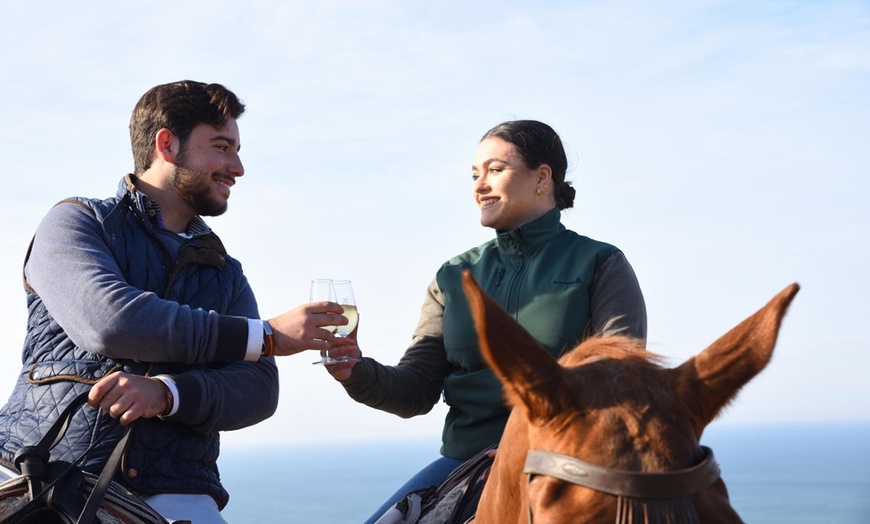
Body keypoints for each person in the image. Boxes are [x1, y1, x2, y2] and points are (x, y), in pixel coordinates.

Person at [0, 80, 347, 523]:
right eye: (222, 147)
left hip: (176, 490)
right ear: (167, 143)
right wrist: (266, 335)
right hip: (38, 469)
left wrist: (168, 393)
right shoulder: (75, 221)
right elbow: (111, 323)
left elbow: (259, 388)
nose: (237, 167)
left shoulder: (226, 270)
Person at [326, 120, 648, 523]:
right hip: (465, 462)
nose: (479, 185)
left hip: (567, 464)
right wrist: (353, 369)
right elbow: (417, 389)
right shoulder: (452, 277)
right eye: (475, 174)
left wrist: (534, 447)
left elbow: (620, 383)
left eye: (495, 170)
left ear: (542, 177)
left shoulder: (600, 263)